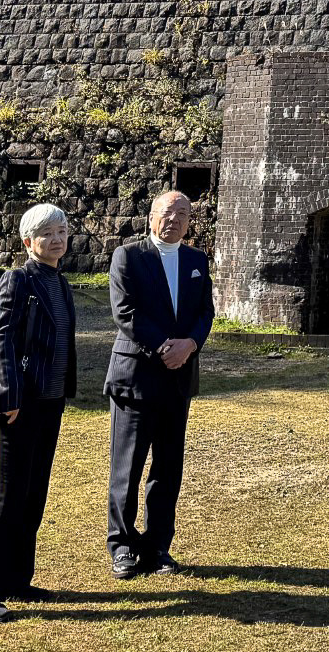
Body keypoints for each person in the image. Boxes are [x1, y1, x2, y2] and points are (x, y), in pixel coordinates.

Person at [0, 202, 79, 624]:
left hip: (49, 402)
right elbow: (3, 339)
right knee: (9, 496)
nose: (57, 239)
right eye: (47, 233)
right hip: (17, 404)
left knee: (34, 494)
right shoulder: (17, 280)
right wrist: (8, 395)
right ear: (27, 241)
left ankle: (17, 579)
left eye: (63, 231)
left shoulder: (60, 281)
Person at [105, 188, 214, 579]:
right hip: (136, 376)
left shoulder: (196, 260)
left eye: (183, 214)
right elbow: (124, 311)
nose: (175, 220)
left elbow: (206, 311)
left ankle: (157, 547)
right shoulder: (129, 256)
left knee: (168, 469)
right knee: (127, 467)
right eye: (168, 213)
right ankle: (121, 545)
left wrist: (190, 345)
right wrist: (163, 346)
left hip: (179, 378)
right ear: (151, 216)